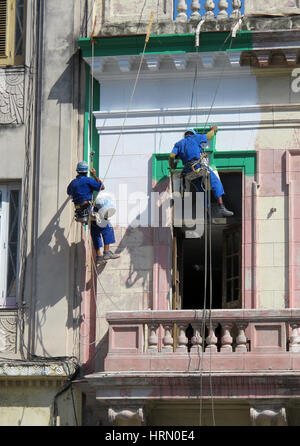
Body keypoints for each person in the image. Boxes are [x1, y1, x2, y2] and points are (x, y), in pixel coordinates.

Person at [169, 127, 234, 217]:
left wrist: (173, 166)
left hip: (188, 171)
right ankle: (221, 207)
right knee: (215, 182)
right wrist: (213, 130)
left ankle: (207, 212)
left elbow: (172, 156)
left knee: (200, 190)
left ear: (185, 135)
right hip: (198, 167)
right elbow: (209, 136)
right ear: (193, 134)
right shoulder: (196, 137)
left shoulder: (178, 144)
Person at [67, 161, 120, 265]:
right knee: (107, 227)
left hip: (80, 212)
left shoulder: (73, 183)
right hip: (88, 209)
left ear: (78, 171)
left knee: (95, 231)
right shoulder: (88, 180)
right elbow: (102, 187)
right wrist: (95, 175)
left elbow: (69, 192)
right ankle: (106, 252)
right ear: (86, 172)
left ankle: (99, 256)